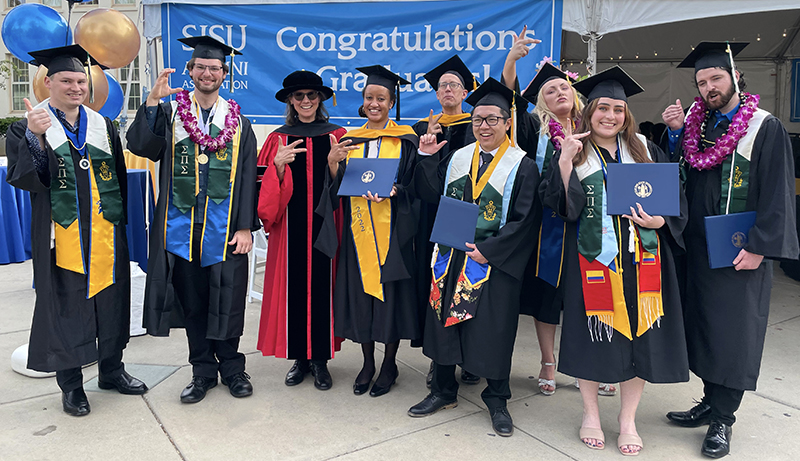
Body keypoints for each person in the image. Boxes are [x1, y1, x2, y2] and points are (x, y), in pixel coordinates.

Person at [539, 66, 689, 455]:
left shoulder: (644, 147)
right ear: (589, 112)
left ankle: (627, 419)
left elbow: (674, 201)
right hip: (594, 260)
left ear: (627, 114)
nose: (610, 116)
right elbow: (560, 207)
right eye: (602, 108)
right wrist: (565, 163)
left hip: (643, 263)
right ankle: (590, 414)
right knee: (593, 338)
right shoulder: (574, 149)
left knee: (640, 336)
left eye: (618, 109)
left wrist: (660, 220)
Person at [661, 42, 798, 458]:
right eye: (702, 81)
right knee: (704, 325)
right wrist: (672, 134)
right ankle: (710, 400)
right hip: (698, 245)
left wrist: (761, 247)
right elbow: (680, 175)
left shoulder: (763, 126)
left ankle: (724, 418)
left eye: (716, 78)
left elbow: (777, 193)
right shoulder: (698, 127)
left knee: (735, 332)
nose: (708, 87)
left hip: (740, 249)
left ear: (735, 77)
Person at [5, 45, 147, 417]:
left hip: (105, 233)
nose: (75, 87)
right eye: (66, 80)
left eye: (80, 80)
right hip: (61, 237)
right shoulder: (30, 124)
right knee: (66, 308)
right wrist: (36, 139)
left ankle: (111, 371)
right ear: (48, 82)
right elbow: (25, 180)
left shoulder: (102, 124)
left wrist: (119, 224)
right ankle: (71, 386)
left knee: (112, 302)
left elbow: (116, 176)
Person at [126, 36, 259, 404]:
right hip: (181, 230)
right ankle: (202, 371)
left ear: (224, 74)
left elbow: (248, 176)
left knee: (227, 299)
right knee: (194, 301)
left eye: (214, 68)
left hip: (226, 229)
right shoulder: (170, 116)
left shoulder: (238, 123)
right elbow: (140, 146)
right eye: (200, 67)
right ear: (190, 71)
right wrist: (153, 101)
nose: (207, 73)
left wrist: (246, 225)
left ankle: (232, 368)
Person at [408, 78, 540, 437]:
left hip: (491, 261)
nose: (484, 126)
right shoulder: (457, 157)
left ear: (507, 122)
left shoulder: (521, 165)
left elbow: (525, 220)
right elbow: (431, 194)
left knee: (493, 331)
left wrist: (489, 251)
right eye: (478, 119)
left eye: (492, 119)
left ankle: (497, 398)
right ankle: (443, 390)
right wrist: (427, 155)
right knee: (444, 321)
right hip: (452, 255)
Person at [502, 36, 617, 398]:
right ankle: (548, 361)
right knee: (547, 295)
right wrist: (511, 63)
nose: (558, 93)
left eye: (563, 87)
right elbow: (510, 105)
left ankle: (597, 363)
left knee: (592, 293)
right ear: (543, 102)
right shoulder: (533, 130)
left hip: (592, 223)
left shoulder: (597, 126)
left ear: (575, 94)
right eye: (550, 91)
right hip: (547, 227)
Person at [324, 65, 420, 397]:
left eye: (381, 98)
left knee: (390, 299)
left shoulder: (406, 140)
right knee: (361, 297)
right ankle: (367, 362)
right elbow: (337, 186)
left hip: (392, 234)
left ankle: (390, 363)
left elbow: (414, 184)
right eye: (369, 98)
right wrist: (334, 162)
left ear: (391, 102)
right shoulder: (349, 140)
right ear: (363, 102)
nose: (374, 103)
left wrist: (396, 191)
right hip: (358, 232)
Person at [256, 70, 348, 390]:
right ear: (291, 102)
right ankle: (299, 358)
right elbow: (263, 195)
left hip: (327, 225)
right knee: (293, 289)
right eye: (299, 96)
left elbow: (348, 187)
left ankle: (320, 360)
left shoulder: (337, 134)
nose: (306, 101)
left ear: (320, 99)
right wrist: (278, 167)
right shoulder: (277, 139)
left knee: (324, 289)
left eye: (311, 95)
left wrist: (335, 164)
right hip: (290, 230)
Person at [411, 55, 480, 388]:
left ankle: (469, 356)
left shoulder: (478, 125)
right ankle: (440, 361)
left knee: (468, 284)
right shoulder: (422, 128)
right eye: (442, 86)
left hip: (469, 216)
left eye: (454, 85)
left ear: (465, 92)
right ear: (437, 94)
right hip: (432, 219)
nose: (448, 90)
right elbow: (413, 179)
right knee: (437, 288)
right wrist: (428, 148)